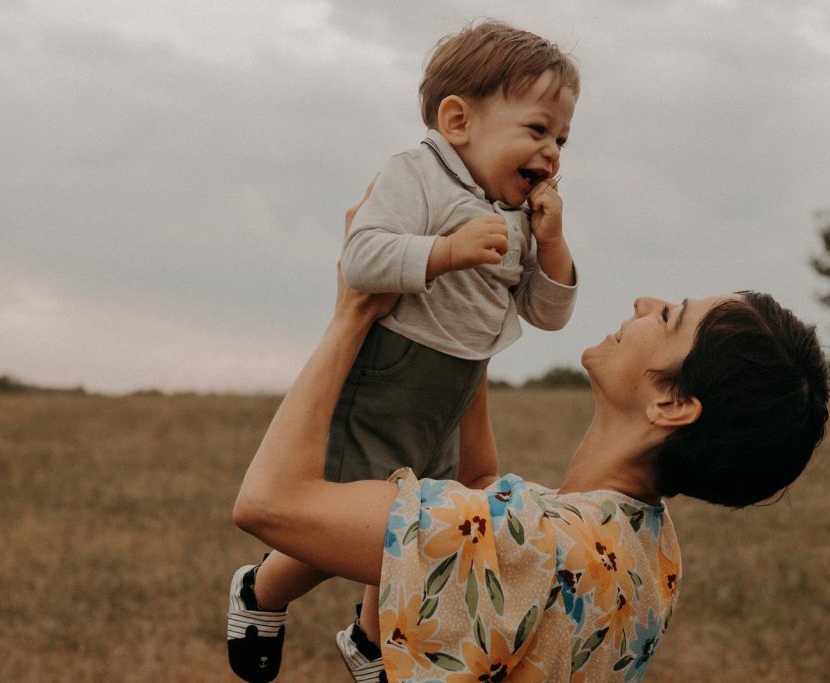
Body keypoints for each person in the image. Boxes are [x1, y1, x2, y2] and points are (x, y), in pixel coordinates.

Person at [230, 196, 830, 681]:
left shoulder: (532, 543)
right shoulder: (653, 556)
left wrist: (353, 310)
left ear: (671, 404)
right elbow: (477, 488)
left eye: (671, 316)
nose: (645, 302)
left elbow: (270, 502)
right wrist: (473, 316)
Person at [229, 21, 581, 682]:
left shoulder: (517, 211)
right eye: (538, 131)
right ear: (458, 120)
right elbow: (361, 258)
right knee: (351, 527)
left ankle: (371, 640)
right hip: (396, 371)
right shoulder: (416, 174)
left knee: (416, 519)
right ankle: (261, 591)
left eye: (562, 138)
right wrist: (444, 252)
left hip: (457, 384)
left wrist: (553, 244)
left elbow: (547, 313)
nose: (554, 152)